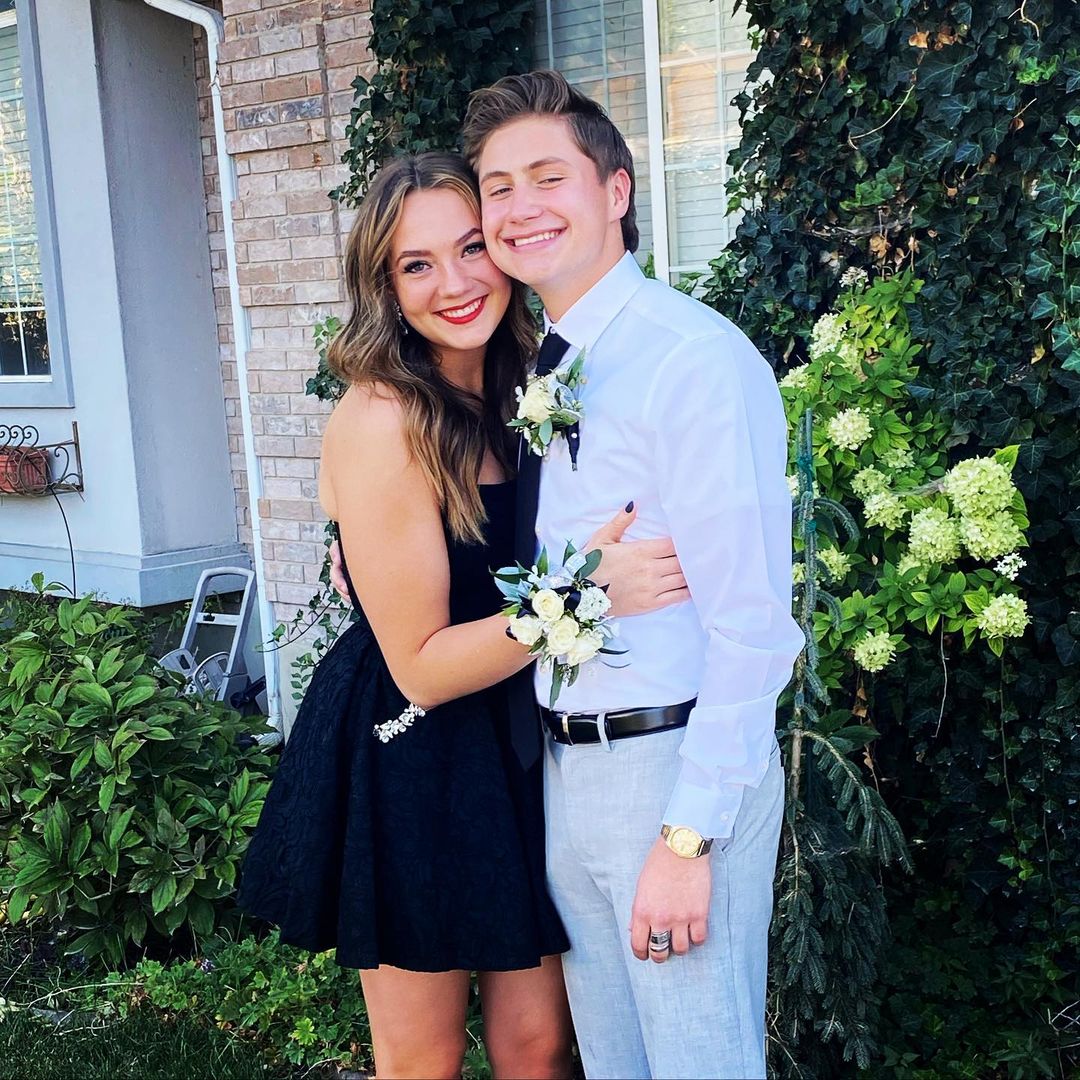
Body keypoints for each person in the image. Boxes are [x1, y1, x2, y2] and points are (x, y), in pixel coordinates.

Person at [238, 152, 690, 1080]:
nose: (454, 282)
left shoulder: (532, 383)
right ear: (385, 287)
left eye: (472, 247)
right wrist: (583, 594)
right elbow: (421, 666)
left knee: (539, 1046)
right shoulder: (382, 418)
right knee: (425, 1059)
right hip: (418, 749)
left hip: (523, 733)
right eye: (417, 264)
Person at [458, 71, 806, 1079]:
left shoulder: (688, 360)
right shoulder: (552, 361)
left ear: (615, 190)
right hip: (570, 773)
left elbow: (754, 627)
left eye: (548, 177)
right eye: (498, 187)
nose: (520, 207)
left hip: (670, 768)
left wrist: (688, 837)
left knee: (702, 1062)